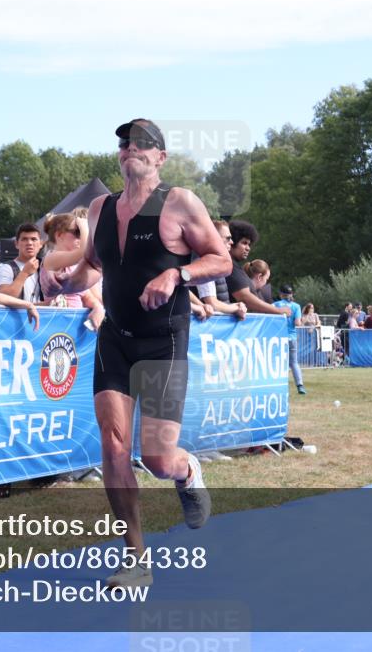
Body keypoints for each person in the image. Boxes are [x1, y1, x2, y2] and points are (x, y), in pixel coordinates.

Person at [55, 119, 232, 589]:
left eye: (141, 144)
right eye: (124, 144)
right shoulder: (100, 207)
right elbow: (94, 266)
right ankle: (136, 560)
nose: (129, 149)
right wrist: (67, 282)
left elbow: (222, 259)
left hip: (162, 340)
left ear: (160, 157)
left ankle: (186, 468)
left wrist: (177, 275)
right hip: (115, 336)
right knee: (113, 447)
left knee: (155, 458)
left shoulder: (180, 203)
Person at [40, 213, 105, 328]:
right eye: (77, 232)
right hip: (56, 325)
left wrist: (98, 307)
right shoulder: (51, 258)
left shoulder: (73, 265)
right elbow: (84, 253)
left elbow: (86, 296)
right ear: (59, 235)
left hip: (73, 325)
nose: (81, 238)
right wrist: (84, 226)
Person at [225, 220, 288, 317]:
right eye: (244, 243)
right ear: (232, 242)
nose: (248, 248)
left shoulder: (233, 266)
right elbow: (245, 298)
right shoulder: (229, 266)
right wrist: (277, 311)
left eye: (249, 244)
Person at [196, 220, 246, 320]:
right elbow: (212, 304)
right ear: (215, 238)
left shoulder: (213, 263)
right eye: (228, 238)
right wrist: (236, 307)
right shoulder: (205, 264)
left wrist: (235, 306)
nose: (231, 242)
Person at [0, 223, 45, 303]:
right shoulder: (7, 268)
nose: (29, 243)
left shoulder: (45, 267)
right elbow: (2, 298)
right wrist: (24, 273)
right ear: (16, 244)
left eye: (34, 239)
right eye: (24, 239)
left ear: (41, 244)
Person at [273, 284, 306, 394]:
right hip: (292, 337)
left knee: (277, 362)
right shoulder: (296, 306)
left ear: (281, 294)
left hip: (278, 338)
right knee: (294, 363)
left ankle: (278, 386)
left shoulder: (275, 305)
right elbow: (297, 323)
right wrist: (302, 321)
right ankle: (300, 386)